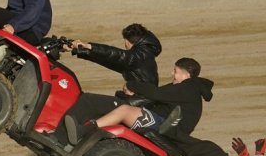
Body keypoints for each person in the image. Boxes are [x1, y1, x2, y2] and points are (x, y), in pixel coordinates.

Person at [53, 24, 162, 145]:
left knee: (87, 100)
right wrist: (80, 50)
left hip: (134, 104)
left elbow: (116, 55)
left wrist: (89, 46)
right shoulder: (143, 54)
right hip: (136, 102)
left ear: (127, 41)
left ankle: (58, 139)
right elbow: (109, 60)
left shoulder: (140, 55)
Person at [64, 57, 214, 145]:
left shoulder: (187, 89)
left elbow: (155, 93)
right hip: (163, 123)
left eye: (175, 71)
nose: (172, 73)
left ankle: (84, 130)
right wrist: (132, 94)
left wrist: (132, 85)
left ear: (186, 74)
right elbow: (154, 95)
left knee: (124, 110)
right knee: (119, 106)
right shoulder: (184, 88)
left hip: (165, 128)